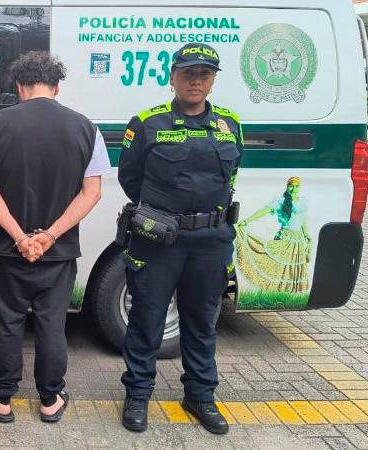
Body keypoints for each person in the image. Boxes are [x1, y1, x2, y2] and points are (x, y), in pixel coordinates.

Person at [0, 51, 108, 423]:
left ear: (19, 87)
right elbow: (92, 192)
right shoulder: (86, 127)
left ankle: (1, 398)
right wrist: (48, 236)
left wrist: (19, 237)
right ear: (56, 86)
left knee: (8, 321)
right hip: (58, 252)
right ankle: (49, 400)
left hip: (6, 250)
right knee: (52, 323)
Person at [116, 42, 242, 435]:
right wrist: (162, 215)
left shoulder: (230, 124)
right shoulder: (147, 123)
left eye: (204, 74)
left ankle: (200, 396)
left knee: (202, 321)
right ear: (172, 77)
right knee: (146, 320)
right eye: (188, 73)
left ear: (213, 80)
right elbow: (129, 179)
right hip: (159, 241)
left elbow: (231, 176)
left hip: (211, 241)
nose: (196, 80)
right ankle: (137, 395)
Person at [235, 177, 311, 294]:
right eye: (291, 186)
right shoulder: (281, 201)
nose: (293, 189)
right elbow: (265, 210)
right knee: (278, 265)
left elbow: (303, 219)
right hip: (286, 238)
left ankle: (290, 294)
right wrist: (247, 220)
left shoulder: (302, 202)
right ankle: (277, 291)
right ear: (287, 187)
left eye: (296, 186)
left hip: (298, 240)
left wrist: (306, 234)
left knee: (293, 267)